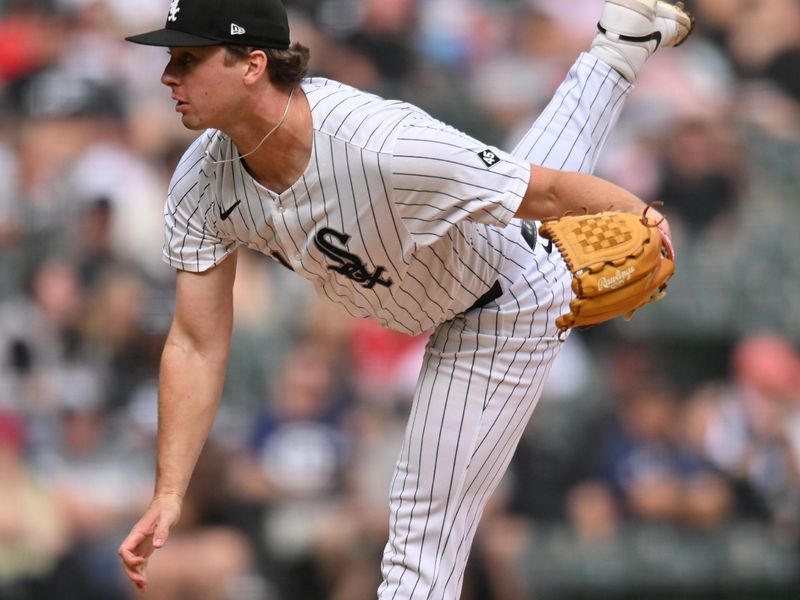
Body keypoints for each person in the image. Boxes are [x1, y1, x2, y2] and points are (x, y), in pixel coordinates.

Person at [118, 0, 693, 597]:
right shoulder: (200, 181)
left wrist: (643, 215)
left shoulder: (381, 143)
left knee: (421, 541)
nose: (167, 75)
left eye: (188, 58)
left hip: (501, 305)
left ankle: (616, 57)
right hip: (451, 272)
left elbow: (545, 192)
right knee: (514, 195)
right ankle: (620, 46)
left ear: (252, 64)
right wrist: (169, 491)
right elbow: (194, 342)